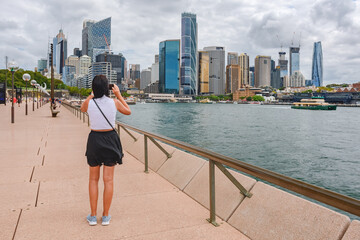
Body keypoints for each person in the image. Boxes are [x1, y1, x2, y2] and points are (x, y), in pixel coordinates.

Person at [80, 75, 131, 226]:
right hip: (110, 139)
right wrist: (119, 95)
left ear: (94, 87)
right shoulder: (114, 102)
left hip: (95, 139)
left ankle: (93, 216)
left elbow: (82, 109)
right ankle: (106, 216)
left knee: (93, 180)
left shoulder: (90, 102)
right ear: (107, 87)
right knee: (108, 180)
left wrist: (91, 95)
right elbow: (128, 111)